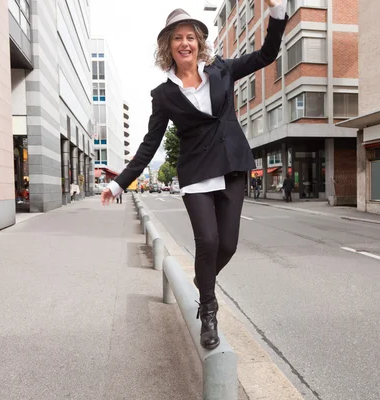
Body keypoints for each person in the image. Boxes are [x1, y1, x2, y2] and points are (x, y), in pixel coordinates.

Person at [101, 1, 288, 350]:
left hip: (231, 165)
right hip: (197, 172)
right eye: (177, 38)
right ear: (168, 46)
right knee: (208, 241)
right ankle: (209, 309)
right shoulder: (164, 95)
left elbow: (266, 54)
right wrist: (118, 182)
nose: (184, 43)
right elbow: (148, 145)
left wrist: (276, 12)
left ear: (199, 42)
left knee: (228, 244)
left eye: (190, 36)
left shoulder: (222, 69)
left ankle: (203, 282)